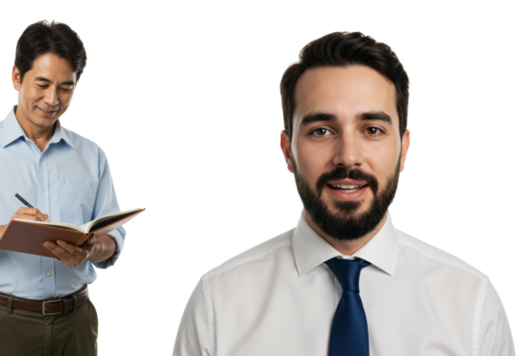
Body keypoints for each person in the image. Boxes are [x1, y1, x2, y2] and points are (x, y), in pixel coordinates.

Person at [171, 30, 515, 356]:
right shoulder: (216, 303)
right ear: (286, 150)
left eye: (372, 129)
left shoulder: (472, 301)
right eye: (322, 130)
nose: (348, 156)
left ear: (404, 150)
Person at [0, 19, 126, 356]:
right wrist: (7, 233)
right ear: (15, 77)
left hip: (76, 323)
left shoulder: (93, 155)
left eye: (66, 87)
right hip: (1, 323)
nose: (53, 99)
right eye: (42, 84)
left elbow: (115, 239)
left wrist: (90, 248)